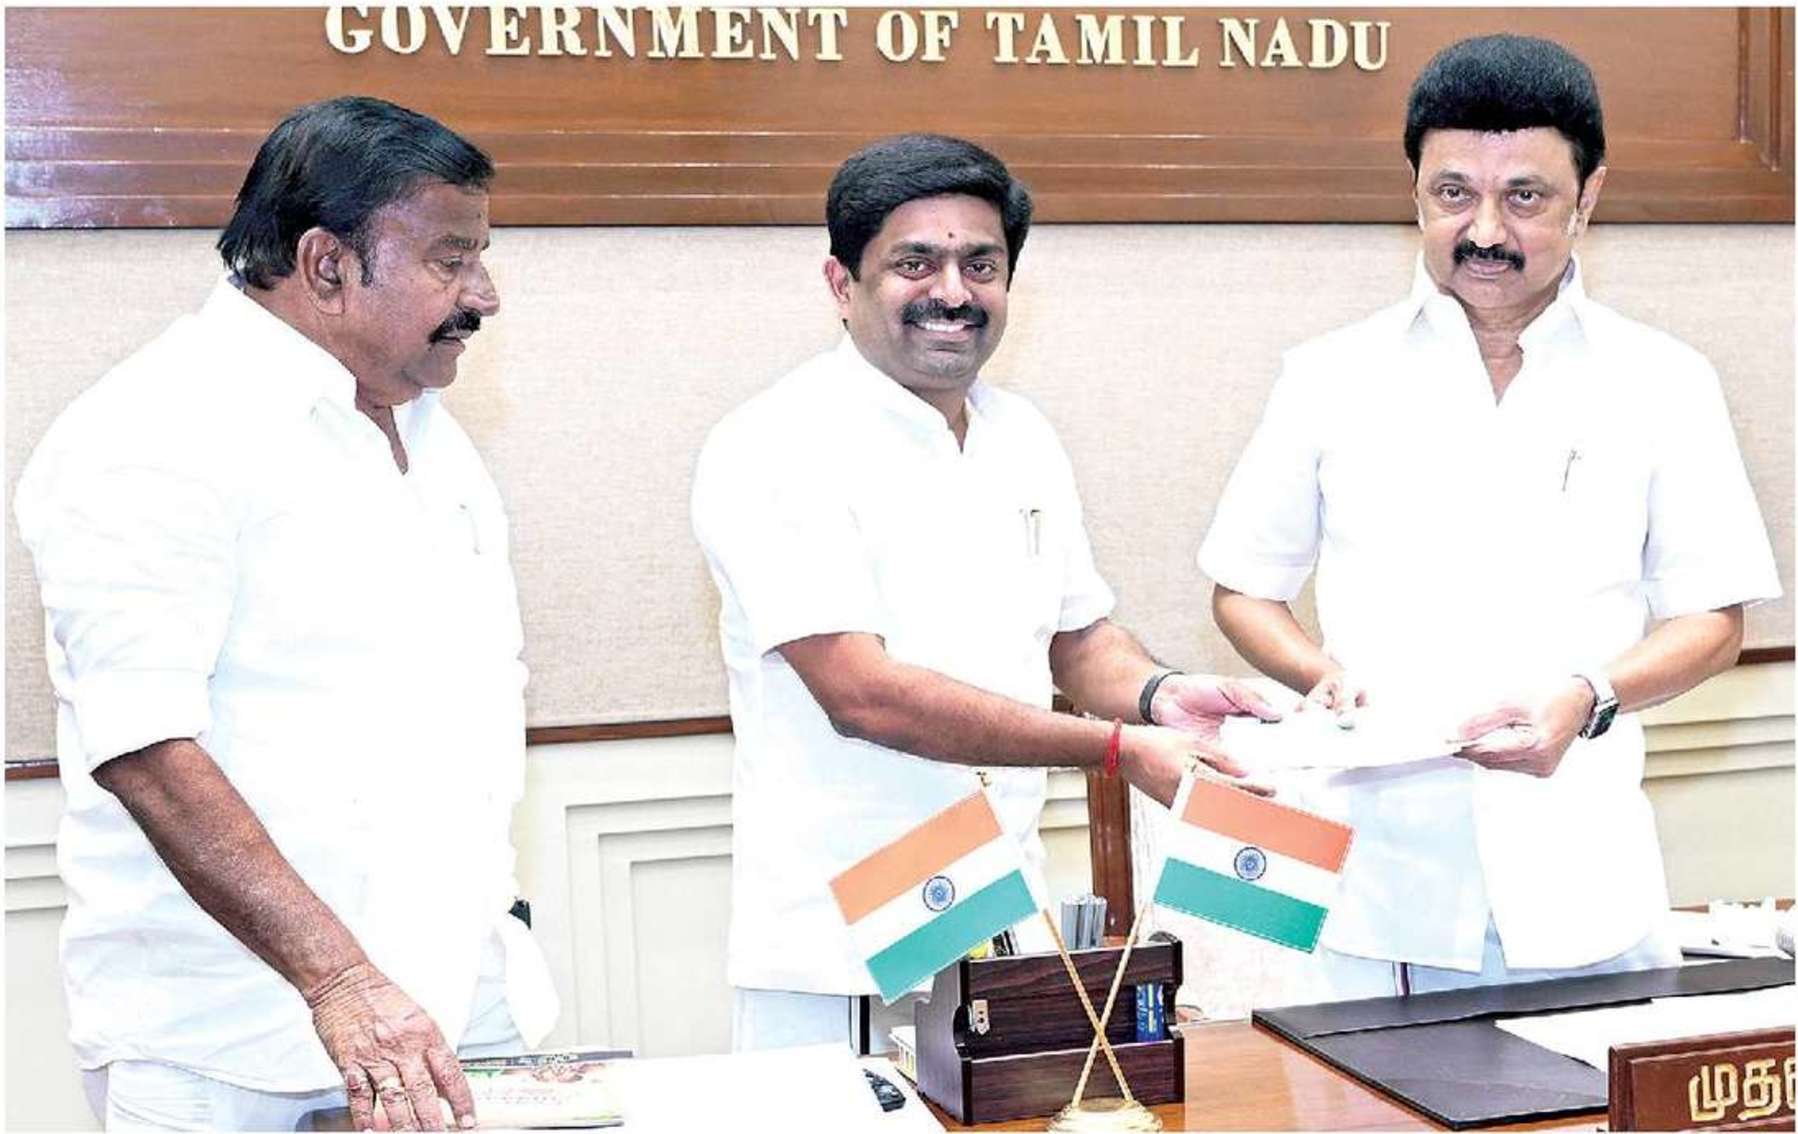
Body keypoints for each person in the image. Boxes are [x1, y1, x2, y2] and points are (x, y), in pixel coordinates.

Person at [15, 96, 558, 1132]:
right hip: (239, 1047)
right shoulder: (150, 434)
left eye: (480, 258)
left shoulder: (428, 430)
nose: (483, 294)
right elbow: (145, 750)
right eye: (450, 260)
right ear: (326, 265)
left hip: (453, 1013)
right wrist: (341, 982)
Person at [1198, 35, 1781, 1000]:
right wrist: (1322, 676)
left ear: (1587, 199)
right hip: (1375, 885)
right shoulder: (1329, 376)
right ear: (1416, 193)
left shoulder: (1664, 380)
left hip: (1583, 872)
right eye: (1453, 193)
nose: (1484, 231)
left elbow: (1714, 620)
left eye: (1525, 197)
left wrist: (1588, 696)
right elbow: (1243, 590)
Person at [691, 133, 1282, 1051]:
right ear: (842, 283)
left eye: (981, 264)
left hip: (999, 921)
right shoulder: (774, 443)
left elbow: (1078, 639)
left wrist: (1162, 695)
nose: (953, 292)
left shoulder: (1023, 435)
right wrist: (1118, 748)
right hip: (843, 945)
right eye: (913, 264)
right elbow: (863, 695)